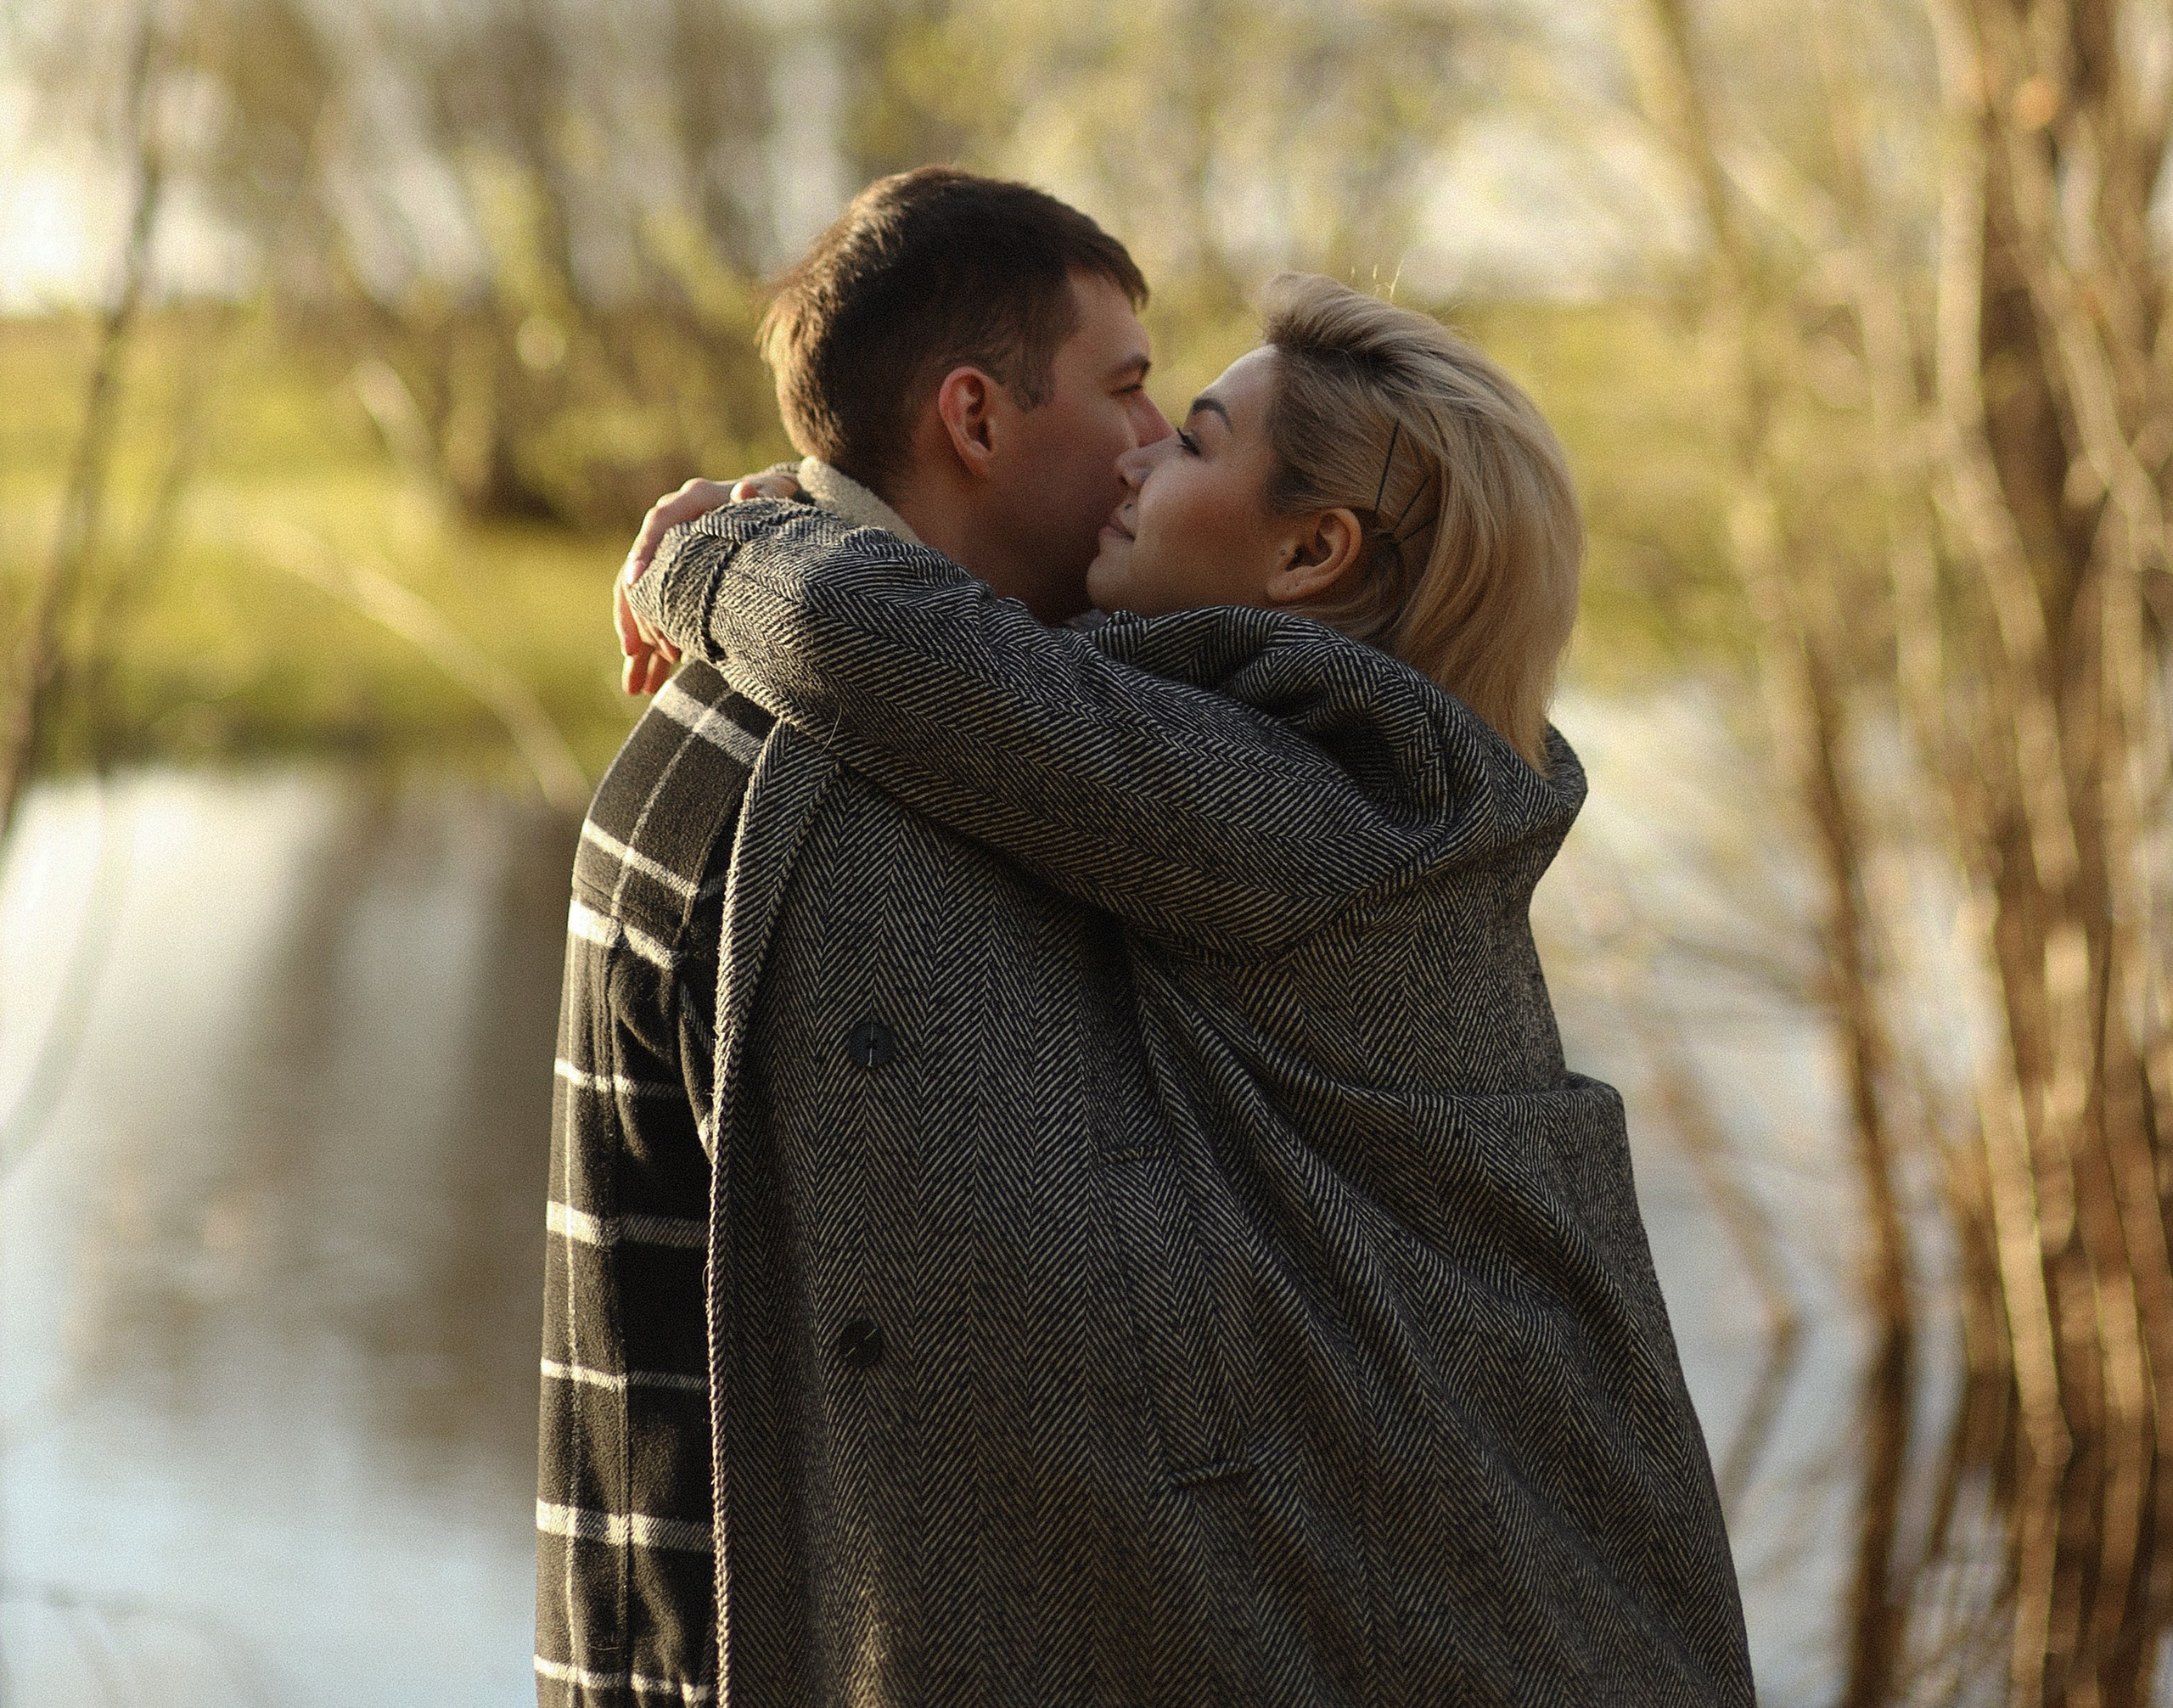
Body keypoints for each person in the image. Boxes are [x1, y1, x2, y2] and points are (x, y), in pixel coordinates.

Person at [614, 268, 1755, 1706]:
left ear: (1308, 556)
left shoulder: (1354, 799)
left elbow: (899, 656)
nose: (1137, 453)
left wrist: (726, 552)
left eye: (1198, 440)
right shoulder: (1285, 748)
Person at [536, 166, 1171, 1706]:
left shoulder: (807, 686)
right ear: (973, 419)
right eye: (1132, 390)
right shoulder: (842, 795)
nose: (1157, 440)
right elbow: (952, 1389)